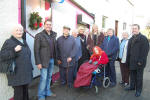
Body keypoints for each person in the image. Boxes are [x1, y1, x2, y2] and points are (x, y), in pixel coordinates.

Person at [0, 24, 33, 100]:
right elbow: (2, 55)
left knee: (25, 93)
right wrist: (14, 50)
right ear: (12, 32)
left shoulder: (23, 41)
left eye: (21, 30)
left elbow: (27, 55)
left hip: (25, 73)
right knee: (19, 95)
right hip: (16, 74)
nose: (19, 32)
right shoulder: (9, 42)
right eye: (17, 30)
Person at [34, 19, 57, 100]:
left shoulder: (53, 35)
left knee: (49, 77)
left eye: (50, 24)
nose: (48, 26)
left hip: (51, 59)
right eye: (47, 24)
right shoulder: (39, 35)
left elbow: (55, 47)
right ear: (44, 25)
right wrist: (38, 62)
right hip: (43, 61)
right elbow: (36, 50)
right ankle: (40, 95)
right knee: (43, 78)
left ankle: (47, 91)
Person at [125, 24, 149, 97]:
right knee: (132, 76)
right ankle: (132, 87)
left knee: (139, 77)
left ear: (139, 29)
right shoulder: (131, 38)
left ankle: (138, 90)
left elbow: (145, 51)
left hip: (139, 63)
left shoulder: (143, 38)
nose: (134, 30)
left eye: (135, 28)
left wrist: (140, 61)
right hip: (131, 61)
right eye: (133, 29)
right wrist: (127, 60)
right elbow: (128, 51)